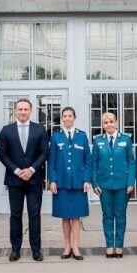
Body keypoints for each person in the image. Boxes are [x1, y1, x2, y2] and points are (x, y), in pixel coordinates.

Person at [0, 98, 49, 262]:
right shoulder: (6, 131)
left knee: (35, 215)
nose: (22, 112)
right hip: (15, 180)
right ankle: (15, 249)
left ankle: (36, 249)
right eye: (19, 109)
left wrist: (32, 169)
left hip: (34, 180)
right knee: (15, 215)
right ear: (15, 111)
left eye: (25, 109)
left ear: (31, 110)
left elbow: (44, 153)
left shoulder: (40, 129)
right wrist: (17, 170)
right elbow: (3, 155)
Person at [49, 107, 91, 260]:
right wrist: (52, 180)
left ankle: (76, 246)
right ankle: (67, 247)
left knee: (77, 217)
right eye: (64, 116)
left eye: (70, 116)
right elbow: (51, 161)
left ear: (74, 117)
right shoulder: (56, 137)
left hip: (78, 183)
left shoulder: (82, 136)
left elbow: (88, 160)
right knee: (65, 216)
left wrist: (87, 179)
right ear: (61, 118)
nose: (67, 118)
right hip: (62, 183)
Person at [92, 112, 135, 258]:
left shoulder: (126, 140)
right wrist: (95, 183)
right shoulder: (98, 141)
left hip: (122, 185)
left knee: (120, 216)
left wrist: (131, 182)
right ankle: (110, 245)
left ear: (116, 122)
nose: (109, 124)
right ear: (103, 125)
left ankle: (119, 246)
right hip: (104, 185)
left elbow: (131, 162)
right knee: (107, 216)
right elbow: (94, 164)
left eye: (111, 121)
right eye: (105, 122)